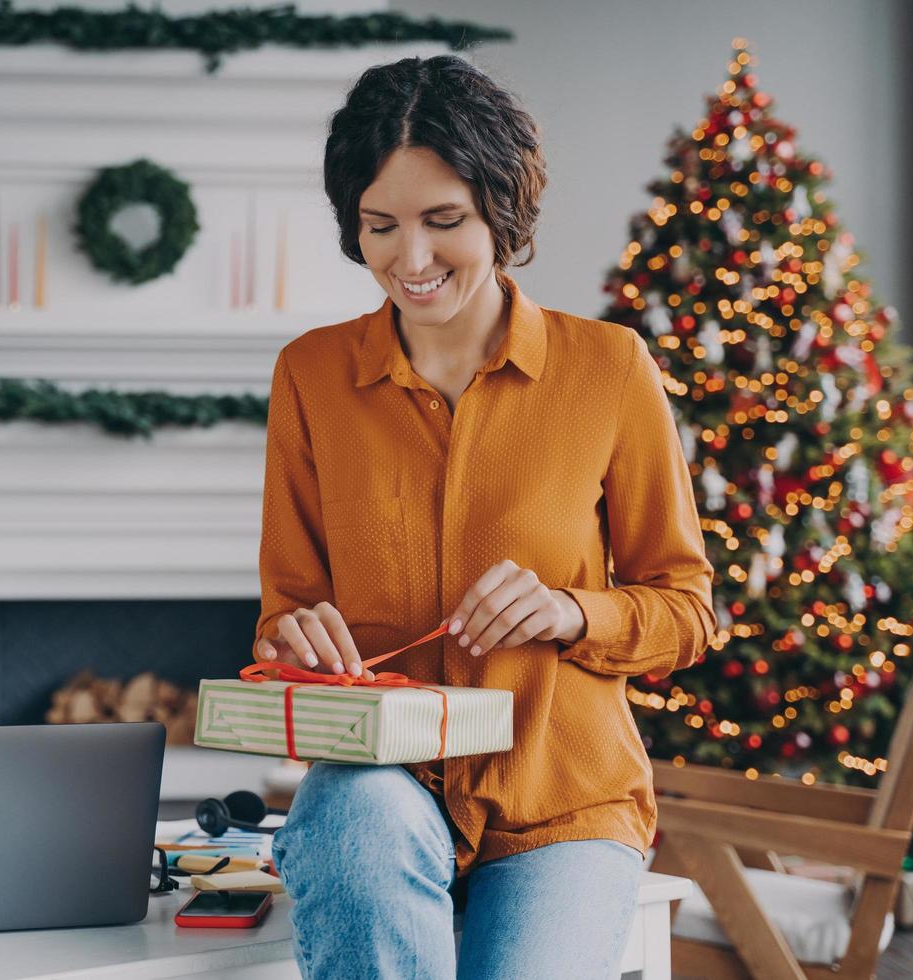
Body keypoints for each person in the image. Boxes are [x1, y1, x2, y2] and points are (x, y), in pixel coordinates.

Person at [252, 55, 716, 979]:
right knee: (353, 825)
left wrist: (575, 610)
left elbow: (687, 609)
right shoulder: (310, 377)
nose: (410, 260)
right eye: (380, 225)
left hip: (564, 794)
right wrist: (292, 637)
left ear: (501, 210)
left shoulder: (609, 370)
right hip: (379, 787)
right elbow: (284, 617)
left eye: (443, 221)